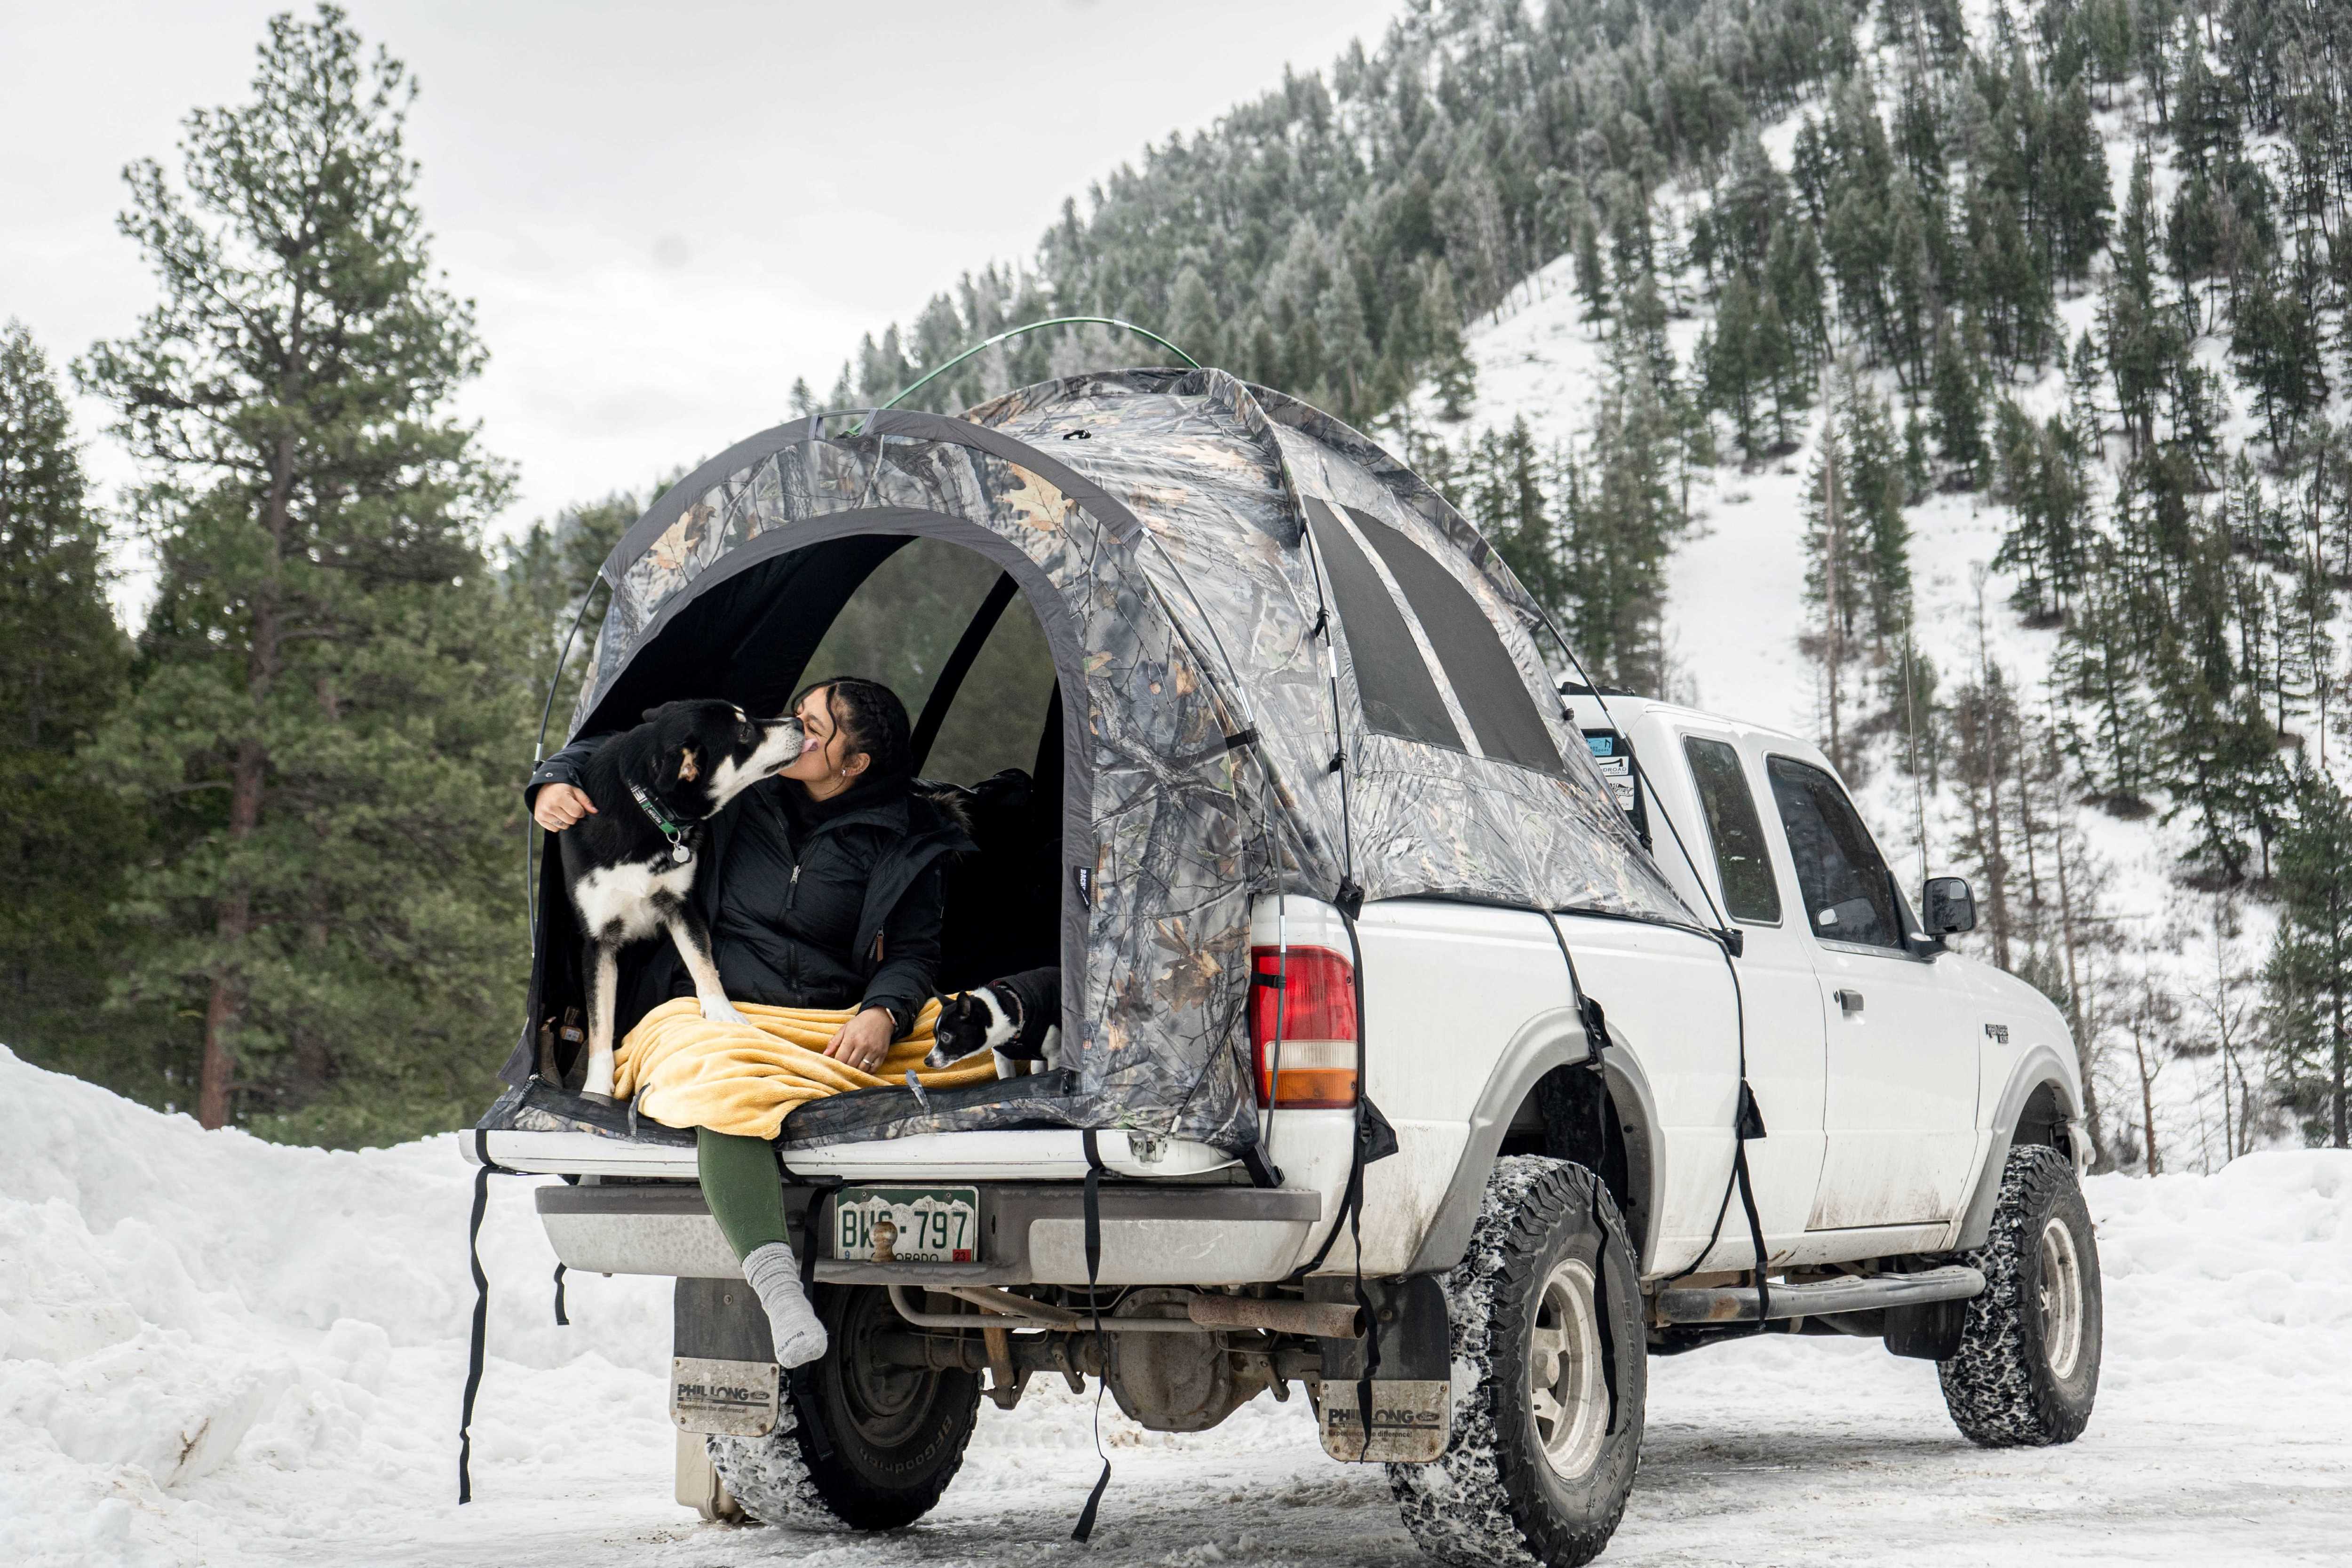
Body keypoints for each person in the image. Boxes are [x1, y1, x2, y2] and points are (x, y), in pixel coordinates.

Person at [526, 677, 971, 1367]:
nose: (793, 728)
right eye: (799, 713)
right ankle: (779, 1291)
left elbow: (914, 953)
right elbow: (631, 749)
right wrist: (552, 780)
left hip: (827, 1016)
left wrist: (883, 1011)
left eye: (815, 728)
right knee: (720, 1084)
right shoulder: (741, 790)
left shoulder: (907, 837)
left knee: (960, 1046)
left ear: (854, 764)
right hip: (720, 1013)